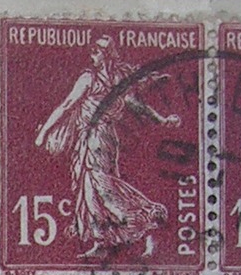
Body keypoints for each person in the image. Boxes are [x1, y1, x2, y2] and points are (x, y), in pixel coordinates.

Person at [34, 33, 181, 257]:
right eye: (92, 49)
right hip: (103, 138)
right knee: (92, 189)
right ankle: (102, 242)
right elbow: (135, 105)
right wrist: (161, 119)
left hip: (95, 138)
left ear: (106, 55)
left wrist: (44, 131)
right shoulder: (115, 81)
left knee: (102, 189)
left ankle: (149, 220)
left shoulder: (90, 79)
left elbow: (67, 105)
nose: (92, 53)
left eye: (97, 50)